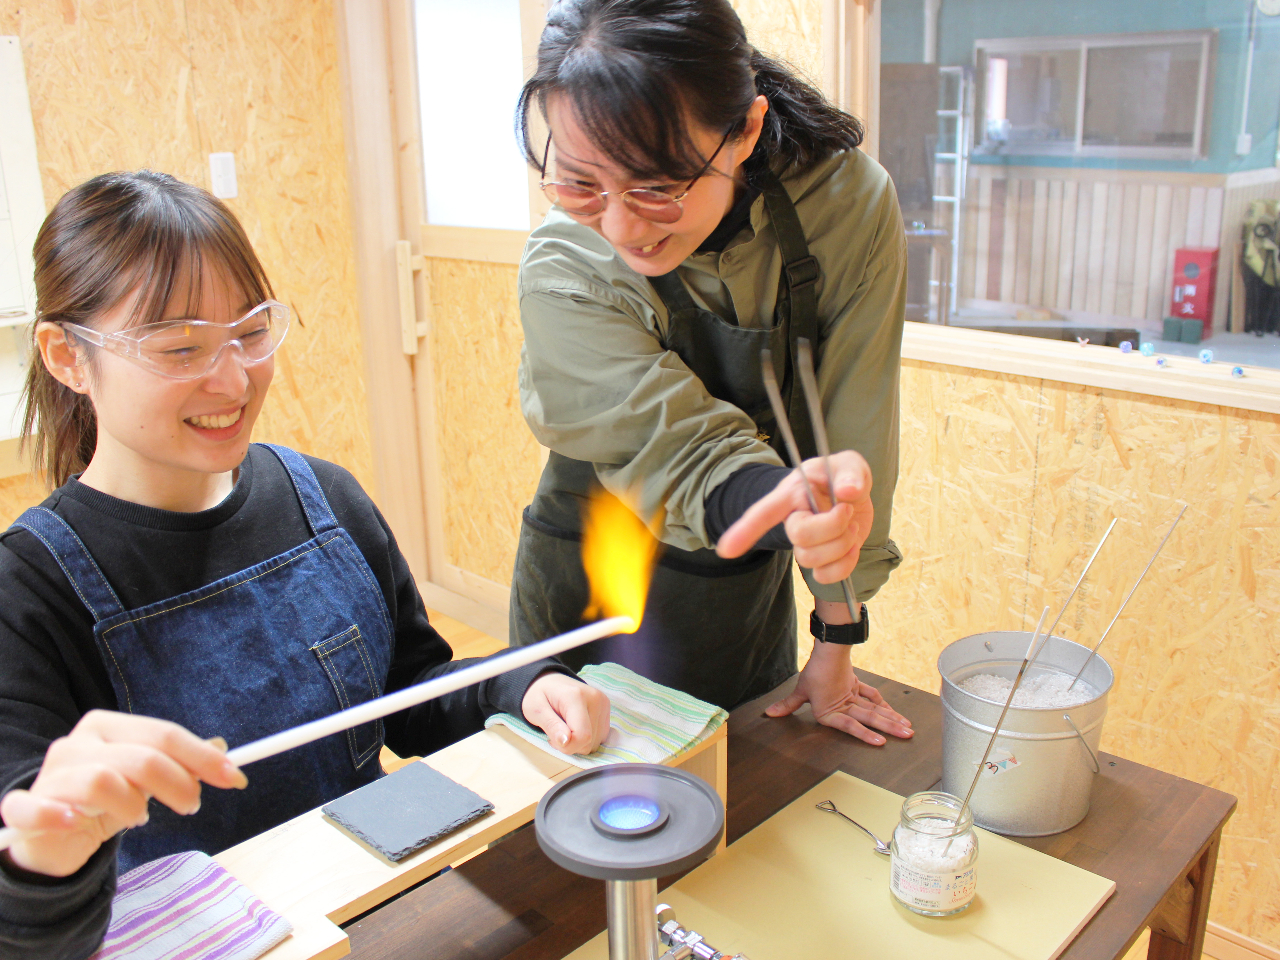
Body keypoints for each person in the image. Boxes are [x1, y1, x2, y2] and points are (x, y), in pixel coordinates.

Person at [0, 171, 609, 959]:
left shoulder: (323, 497)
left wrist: (521, 686)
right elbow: (26, 919)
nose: (231, 380)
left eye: (250, 333)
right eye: (180, 347)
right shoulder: (28, 593)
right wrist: (45, 858)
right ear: (66, 356)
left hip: (385, 919)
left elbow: (411, 694)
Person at [510, 0, 913, 744]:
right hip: (586, 573)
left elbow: (854, 432)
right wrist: (784, 503)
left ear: (747, 130)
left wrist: (837, 636)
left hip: (741, 585)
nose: (622, 226)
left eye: (657, 186)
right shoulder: (566, 261)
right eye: (578, 182)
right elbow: (674, 445)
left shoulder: (846, 208)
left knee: (745, 807)